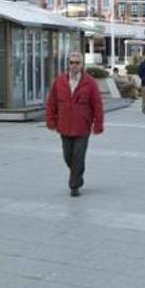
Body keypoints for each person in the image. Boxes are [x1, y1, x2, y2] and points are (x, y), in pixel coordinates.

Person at [45, 52, 104, 197]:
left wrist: (98, 124)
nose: (74, 65)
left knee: (78, 156)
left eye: (77, 62)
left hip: (82, 126)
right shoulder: (59, 81)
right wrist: (50, 120)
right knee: (68, 156)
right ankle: (77, 174)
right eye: (71, 62)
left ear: (82, 64)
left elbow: (97, 104)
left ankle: (74, 185)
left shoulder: (90, 82)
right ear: (67, 64)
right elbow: (51, 102)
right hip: (64, 125)